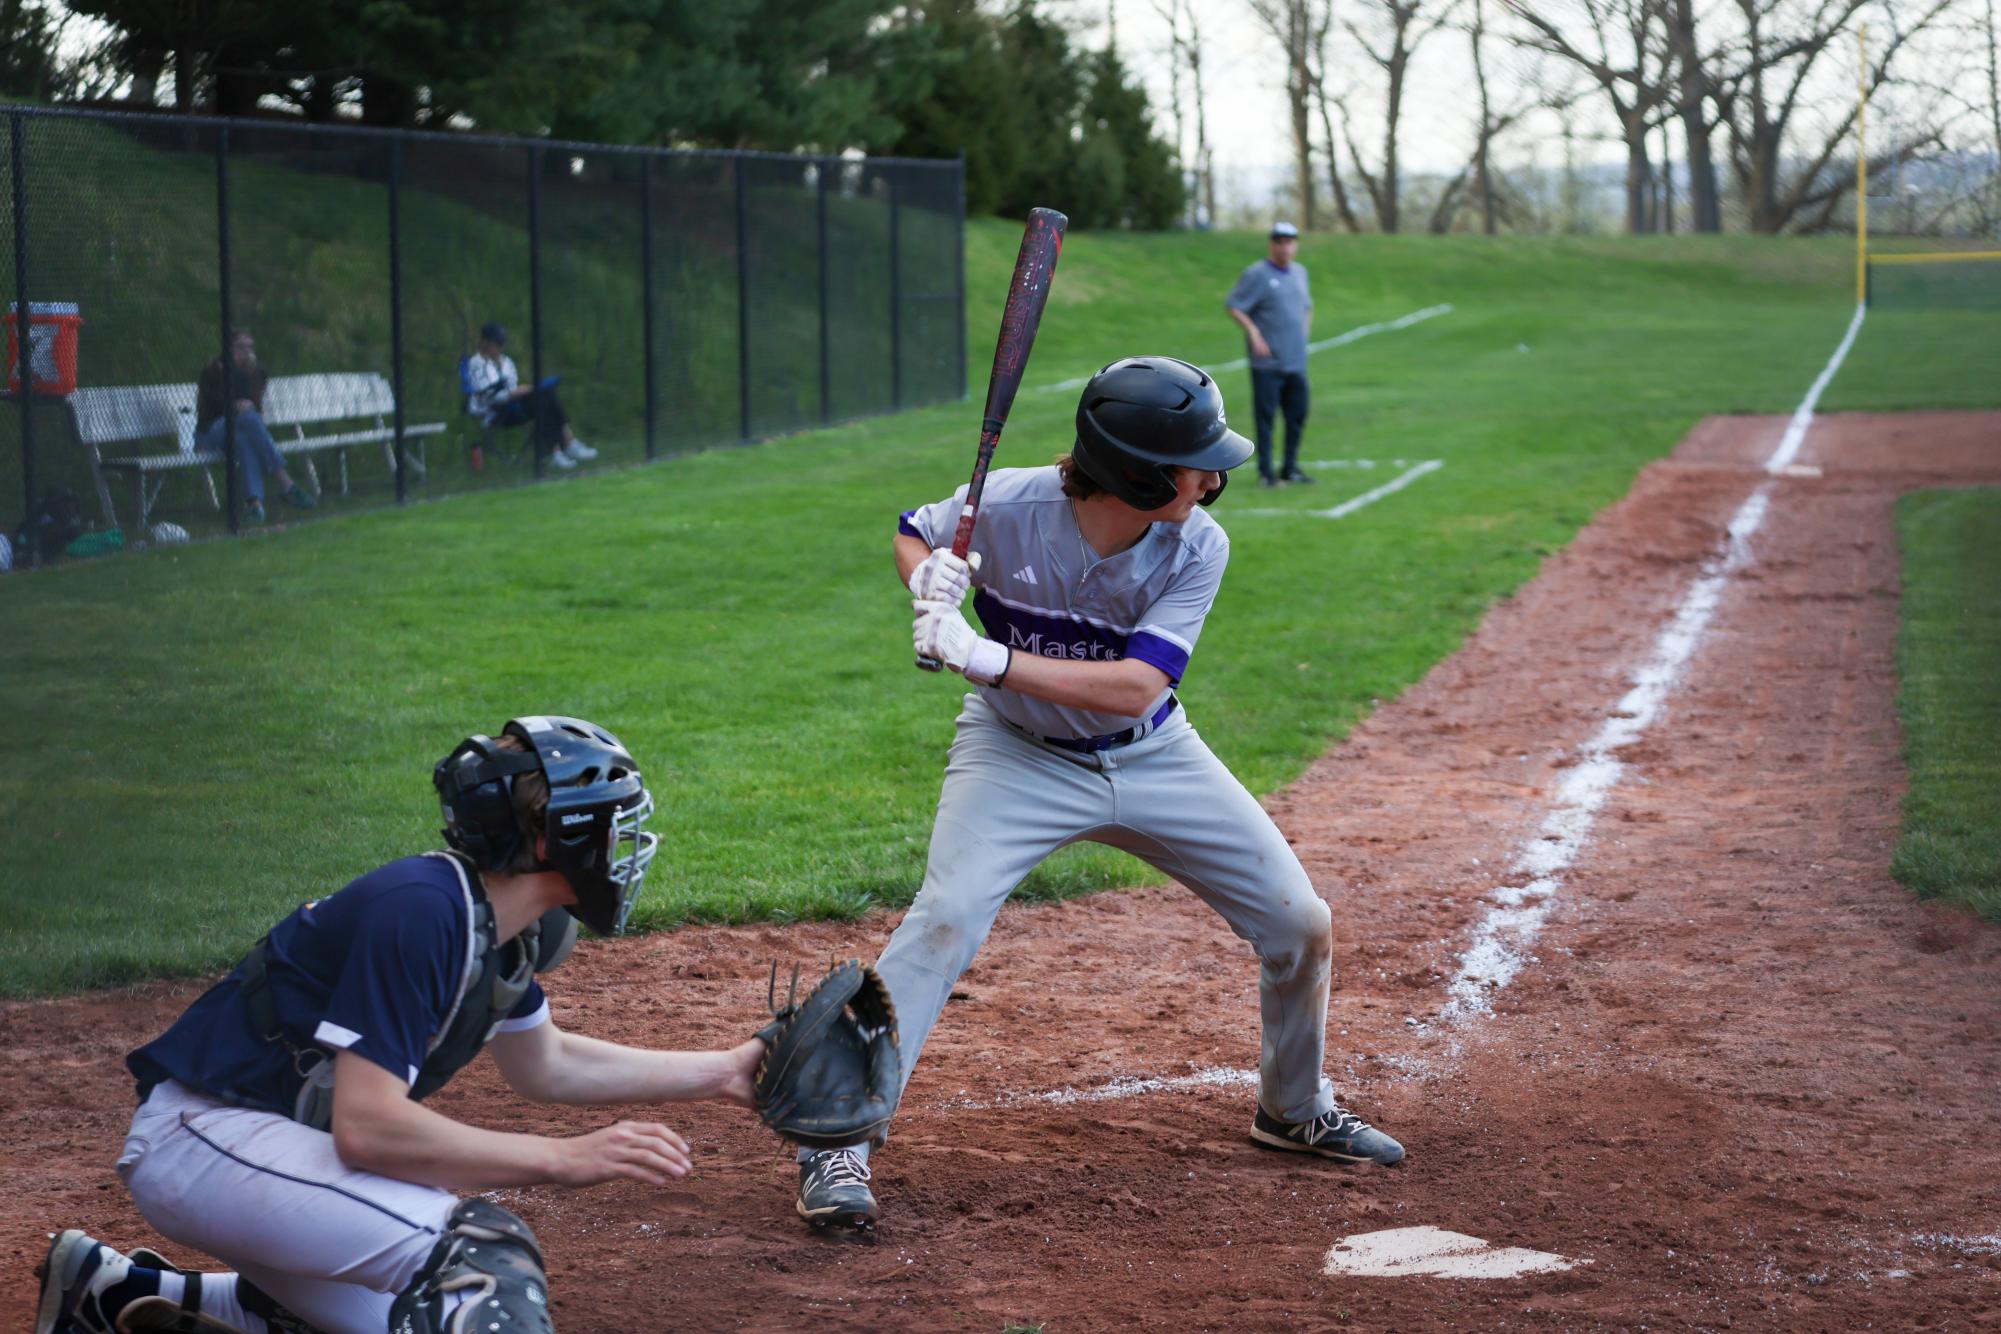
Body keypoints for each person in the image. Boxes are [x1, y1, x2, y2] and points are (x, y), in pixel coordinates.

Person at [791, 356, 1404, 1233]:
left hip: (1154, 757)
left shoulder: (1198, 543)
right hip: (1015, 754)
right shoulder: (1004, 503)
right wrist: (925, 578)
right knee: (944, 917)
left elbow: (1135, 690)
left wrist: (983, 656)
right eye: (1195, 461)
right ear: (1135, 472)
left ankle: (1292, 1109)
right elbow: (915, 532)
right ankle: (835, 1138)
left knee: (1298, 920)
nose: (1214, 475)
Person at [35, 715, 765, 1334]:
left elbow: (543, 1064)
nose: (624, 844)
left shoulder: (502, 928)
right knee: (480, 1261)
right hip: (206, 1140)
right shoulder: (424, 910)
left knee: (401, 1317)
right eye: (612, 821)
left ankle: (113, 1293)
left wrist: (728, 1071)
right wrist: (563, 1158)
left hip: (270, 1154)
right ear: (557, 837)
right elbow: (370, 1129)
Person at [1224, 221, 1315, 487]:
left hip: (1295, 361)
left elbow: (1307, 306)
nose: (1285, 247)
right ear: (1271, 244)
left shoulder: (1300, 273)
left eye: (1289, 242)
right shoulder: (1257, 274)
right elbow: (1234, 305)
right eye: (1279, 242)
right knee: (1266, 418)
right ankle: (1266, 472)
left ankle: (1290, 468)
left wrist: (1303, 333)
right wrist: (1253, 331)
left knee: (1297, 416)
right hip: (1267, 363)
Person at [196, 330, 315, 524]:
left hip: (238, 433)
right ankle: (286, 483)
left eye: (249, 347)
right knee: (248, 420)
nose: (247, 352)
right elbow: (215, 408)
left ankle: (255, 506)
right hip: (210, 435)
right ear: (229, 349)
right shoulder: (213, 371)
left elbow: (254, 409)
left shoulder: (255, 373)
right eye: (241, 347)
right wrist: (237, 405)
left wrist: (248, 376)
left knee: (244, 440)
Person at [462, 322, 597, 470]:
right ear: (485, 342)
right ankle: (560, 450)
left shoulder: (506, 362)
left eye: (502, 344)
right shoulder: (475, 365)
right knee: (541, 397)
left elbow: (512, 386)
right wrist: (520, 392)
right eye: (498, 344)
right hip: (494, 413)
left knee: (546, 395)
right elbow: (489, 397)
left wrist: (522, 391)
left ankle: (566, 446)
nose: (501, 348)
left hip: (512, 407)